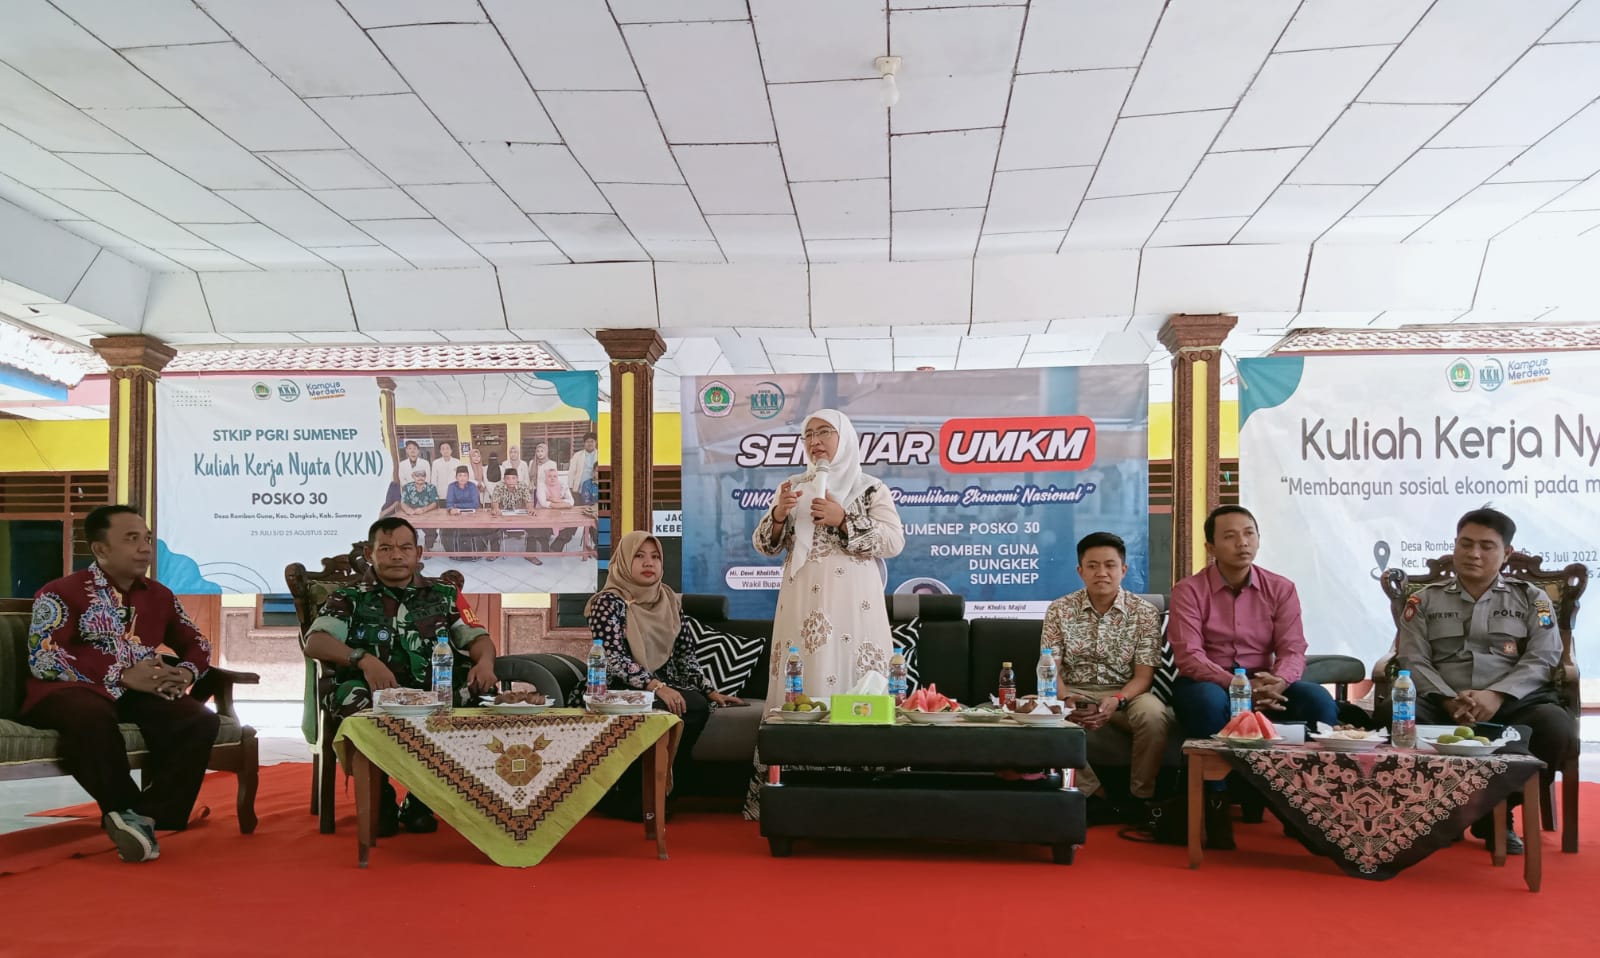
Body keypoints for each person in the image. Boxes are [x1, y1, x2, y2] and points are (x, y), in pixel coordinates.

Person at [21, 504, 219, 863]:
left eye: (146, 538)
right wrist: (120, 673)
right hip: (69, 690)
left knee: (198, 719)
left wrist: (187, 672)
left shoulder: (160, 596)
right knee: (91, 717)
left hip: (135, 692)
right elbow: (45, 657)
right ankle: (124, 809)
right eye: (131, 539)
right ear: (100, 549)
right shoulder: (60, 592)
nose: (145, 547)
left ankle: (145, 817)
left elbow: (197, 643)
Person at [302, 516, 499, 835]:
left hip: (433, 688)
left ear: (418, 552)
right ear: (370, 553)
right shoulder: (349, 597)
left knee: (477, 692)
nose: (397, 555)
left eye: (405, 548)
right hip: (371, 688)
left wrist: (486, 663)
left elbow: (477, 638)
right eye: (387, 548)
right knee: (354, 698)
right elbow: (317, 641)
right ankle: (379, 798)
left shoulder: (444, 594)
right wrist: (362, 659)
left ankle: (423, 801)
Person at [1397, 507, 1569, 854]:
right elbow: (1412, 659)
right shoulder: (1423, 600)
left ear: (1506, 554)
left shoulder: (1533, 599)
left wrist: (1496, 695)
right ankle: (1436, 813)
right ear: (1454, 546)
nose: (1474, 554)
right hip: (1442, 704)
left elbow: (1544, 656)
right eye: (1466, 544)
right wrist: (1448, 698)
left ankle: (1496, 814)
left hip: (1513, 706)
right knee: (1392, 715)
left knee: (1558, 730)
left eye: (1486, 546)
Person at [1168, 504, 1339, 848]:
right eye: (1229, 536)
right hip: (1209, 680)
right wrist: (1237, 686)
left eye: (1249, 533)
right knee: (1206, 701)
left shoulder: (1281, 588)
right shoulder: (1189, 590)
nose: (1242, 543)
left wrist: (1279, 681)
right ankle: (1215, 804)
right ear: (1211, 547)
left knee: (1318, 702)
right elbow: (1189, 656)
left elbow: (1293, 649)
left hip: (1266, 681)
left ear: (1258, 539)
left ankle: (1311, 808)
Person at [753, 409, 905, 708]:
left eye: (824, 432)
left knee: (855, 673)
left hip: (854, 600)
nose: (815, 441)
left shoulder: (870, 488)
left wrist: (844, 520)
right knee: (803, 671)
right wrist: (778, 516)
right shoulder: (792, 487)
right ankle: (797, 753)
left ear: (845, 437)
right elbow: (764, 546)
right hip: (800, 599)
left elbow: (893, 541)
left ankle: (862, 754)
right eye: (808, 435)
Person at [586, 531, 745, 815]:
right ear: (623, 561)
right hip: (617, 686)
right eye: (639, 556)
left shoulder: (669, 600)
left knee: (695, 704)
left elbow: (685, 655)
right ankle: (630, 798)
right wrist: (655, 686)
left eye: (655, 557)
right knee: (660, 706)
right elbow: (612, 658)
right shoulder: (608, 602)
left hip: (665, 682)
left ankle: (664, 789)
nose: (649, 563)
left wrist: (709, 690)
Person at [1041, 531, 1174, 824]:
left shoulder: (1144, 613)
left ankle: (1141, 799)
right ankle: (1096, 795)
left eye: (1110, 565)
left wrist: (1117, 699)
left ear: (1123, 570)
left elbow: (1144, 676)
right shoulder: (1059, 610)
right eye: (1092, 565)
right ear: (1080, 571)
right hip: (1073, 690)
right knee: (1032, 712)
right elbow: (1051, 669)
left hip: (1126, 694)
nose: (1102, 573)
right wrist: (1065, 699)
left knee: (1154, 715)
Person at [488, 467, 539, 565]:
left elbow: (528, 501)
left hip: (519, 515)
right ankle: (495, 552)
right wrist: (496, 509)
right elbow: (495, 502)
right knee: (492, 526)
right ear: (504, 479)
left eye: (513, 478)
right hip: (503, 515)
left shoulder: (523, 486)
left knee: (533, 527)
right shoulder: (499, 486)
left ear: (517, 478)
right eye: (508, 478)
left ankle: (530, 554)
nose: (511, 481)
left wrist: (530, 509)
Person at [567, 432, 600, 560]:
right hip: (579, 490)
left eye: (592, 441)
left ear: (595, 443)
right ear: (584, 443)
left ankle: (595, 546)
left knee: (592, 519)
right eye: (587, 441)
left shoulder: (601, 455)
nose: (590, 443)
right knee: (575, 518)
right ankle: (560, 543)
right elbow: (571, 472)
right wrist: (570, 488)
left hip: (595, 490)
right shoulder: (578, 455)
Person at [444, 464, 485, 559]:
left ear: (468, 477)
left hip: (472, 514)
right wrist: (451, 509)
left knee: (474, 529)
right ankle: (456, 551)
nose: (462, 478)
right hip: (455, 515)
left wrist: (457, 506)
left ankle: (474, 550)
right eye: (460, 475)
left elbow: (475, 504)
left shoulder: (472, 486)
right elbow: (449, 503)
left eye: (465, 475)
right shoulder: (451, 486)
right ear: (456, 477)